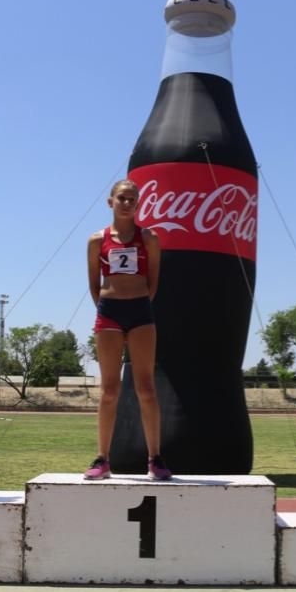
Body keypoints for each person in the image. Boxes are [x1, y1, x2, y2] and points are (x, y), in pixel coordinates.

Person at [84, 179, 171, 481]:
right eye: (122, 198)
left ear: (138, 203)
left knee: (146, 388)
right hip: (108, 314)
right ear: (110, 202)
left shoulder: (150, 238)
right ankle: (102, 459)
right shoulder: (97, 240)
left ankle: (155, 458)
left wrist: (139, 303)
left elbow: (154, 281)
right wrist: (108, 306)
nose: (126, 203)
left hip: (140, 312)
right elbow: (94, 283)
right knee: (109, 391)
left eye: (132, 199)